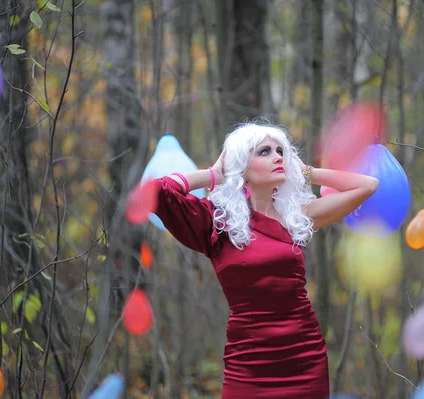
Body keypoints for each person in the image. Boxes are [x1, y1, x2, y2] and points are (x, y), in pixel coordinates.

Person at [149, 122, 378, 399]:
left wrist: (306, 171)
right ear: (242, 167)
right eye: (265, 151)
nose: (278, 156)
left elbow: (368, 185)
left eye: (280, 151)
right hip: (248, 363)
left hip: (304, 358)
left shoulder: (298, 215)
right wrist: (213, 174)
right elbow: (157, 192)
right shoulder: (218, 221)